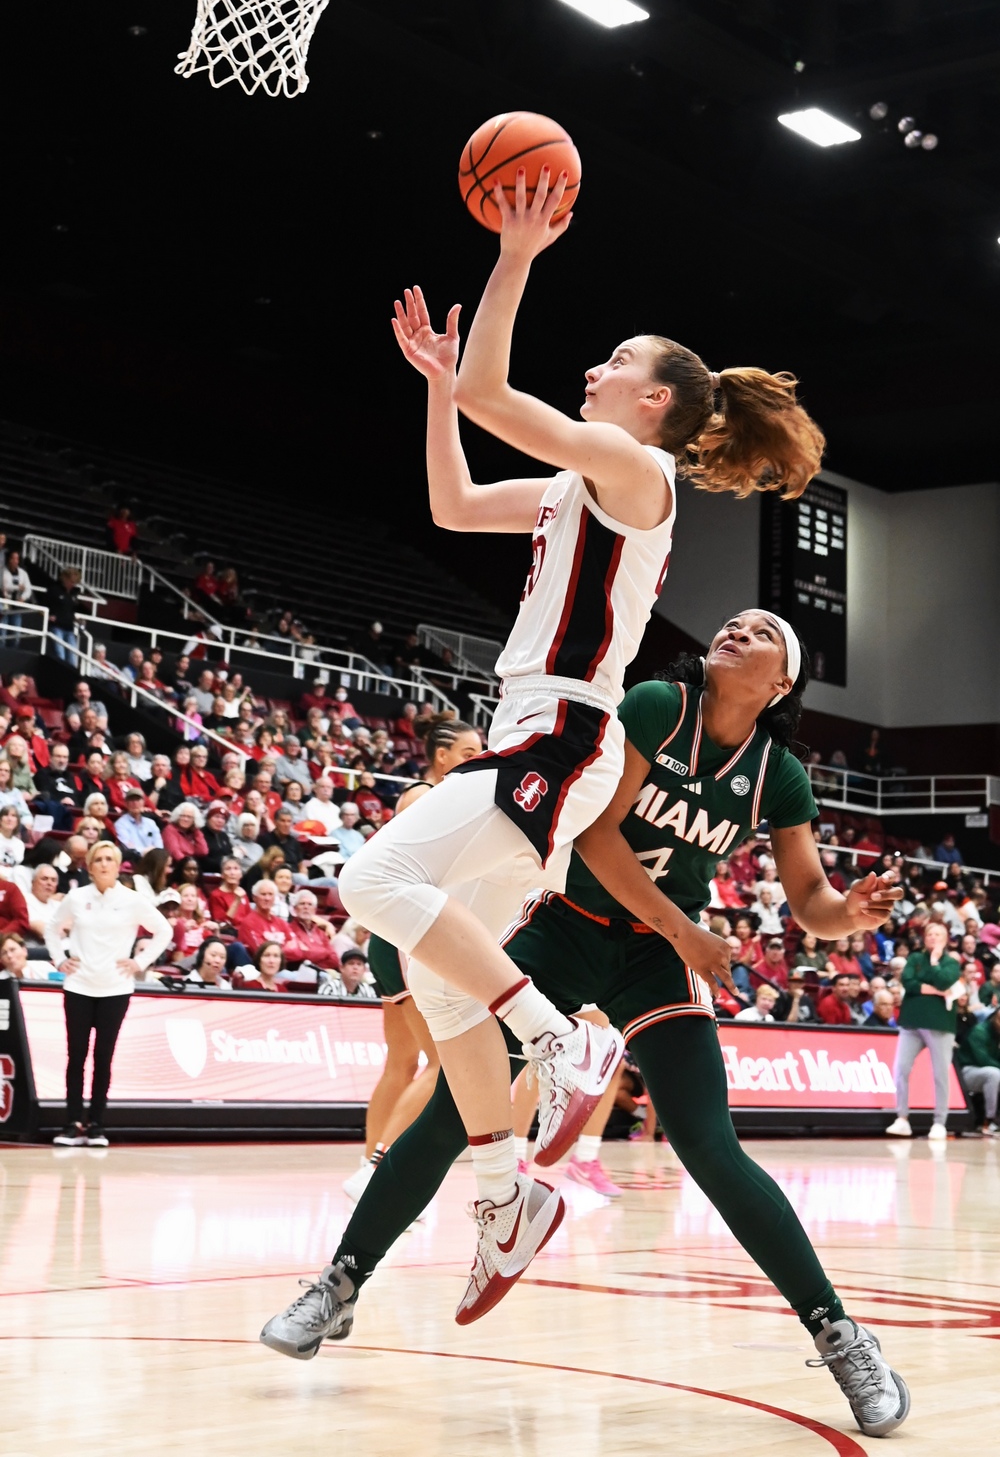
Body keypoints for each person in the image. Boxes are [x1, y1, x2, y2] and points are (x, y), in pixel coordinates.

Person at [334, 177, 826, 1303]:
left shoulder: (637, 473)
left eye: (615, 362)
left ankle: (560, 1041)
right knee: (440, 974)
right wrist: (434, 391)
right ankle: (511, 1190)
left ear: (654, 405)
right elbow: (454, 503)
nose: (595, 370)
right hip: (530, 729)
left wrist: (513, 255)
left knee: (375, 876)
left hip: (561, 728)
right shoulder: (577, 484)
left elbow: (500, 392)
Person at [264, 612, 909, 1441]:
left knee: (710, 1147)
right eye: (733, 623)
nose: (735, 630)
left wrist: (848, 913)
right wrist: (688, 929)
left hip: (653, 957)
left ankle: (841, 1334)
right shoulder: (656, 703)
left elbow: (813, 902)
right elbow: (598, 835)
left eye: (760, 633)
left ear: (782, 684)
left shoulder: (777, 775)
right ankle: (341, 1283)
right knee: (455, 1112)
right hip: (566, 925)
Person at [346, 715, 481, 1204]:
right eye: (468, 753)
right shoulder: (427, 795)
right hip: (406, 934)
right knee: (442, 1066)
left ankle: (366, 1168)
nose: (476, 760)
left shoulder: (427, 794)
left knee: (401, 1061)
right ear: (440, 756)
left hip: (391, 932)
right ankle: (380, 1166)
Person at [45, 842, 172, 1147]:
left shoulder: (133, 900)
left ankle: (97, 1125)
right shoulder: (76, 898)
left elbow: (163, 931)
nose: (103, 864)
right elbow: (52, 928)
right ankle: (72, 1124)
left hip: (115, 989)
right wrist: (59, 958)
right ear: (89, 866)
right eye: (98, 859)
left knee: (103, 1057)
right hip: (78, 986)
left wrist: (140, 962)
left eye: (109, 859)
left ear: (117, 866)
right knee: (76, 1056)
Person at [886, 921, 962, 1141]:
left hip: (940, 1024)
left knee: (940, 1074)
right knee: (900, 1068)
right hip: (911, 1021)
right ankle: (902, 1118)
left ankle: (940, 1122)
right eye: (930, 933)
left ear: (946, 939)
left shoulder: (950, 962)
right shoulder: (915, 958)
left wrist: (935, 962)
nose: (933, 937)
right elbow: (908, 982)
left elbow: (945, 980)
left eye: (938, 933)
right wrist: (937, 991)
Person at [955, 1010, 1000, 1136]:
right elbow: (983, 1059)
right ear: (996, 1019)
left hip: (988, 1069)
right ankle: (989, 1120)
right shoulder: (979, 1031)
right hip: (967, 1071)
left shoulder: (998, 1034)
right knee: (994, 1074)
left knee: (995, 1073)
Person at [1, 548, 32, 643]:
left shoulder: (23, 573)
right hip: (4, 605)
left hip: (16, 606)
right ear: (9, 559)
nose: (15, 561)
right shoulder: (2, 571)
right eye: (13, 559)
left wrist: (23, 598)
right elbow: (4, 586)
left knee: (16, 636)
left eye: (17, 559)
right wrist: (17, 587)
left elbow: (28, 589)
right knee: (2, 633)